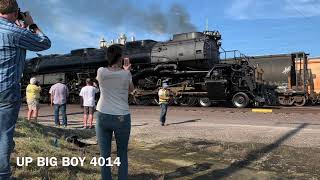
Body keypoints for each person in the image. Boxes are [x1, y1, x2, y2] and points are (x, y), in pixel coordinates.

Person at [0, 0, 51, 178]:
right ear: (16, 12)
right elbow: (44, 43)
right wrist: (31, 24)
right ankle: (3, 175)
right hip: (6, 88)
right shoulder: (16, 32)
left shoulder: (14, 31)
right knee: (4, 134)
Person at [96, 45, 134, 180]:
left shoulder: (100, 71)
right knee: (122, 154)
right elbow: (131, 90)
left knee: (104, 155)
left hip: (102, 115)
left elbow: (103, 81)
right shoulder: (126, 74)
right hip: (122, 116)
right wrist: (126, 71)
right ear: (120, 57)